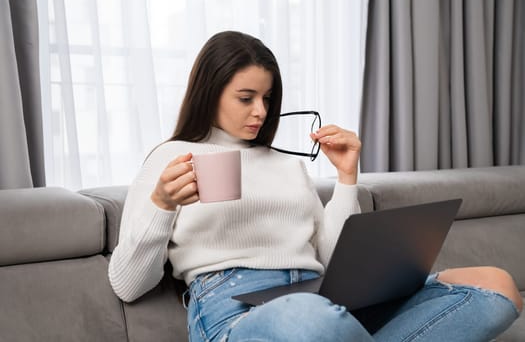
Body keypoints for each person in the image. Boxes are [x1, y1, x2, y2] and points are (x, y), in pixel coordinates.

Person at [109, 30, 522, 341]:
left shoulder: (286, 165)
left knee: (496, 286)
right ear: (210, 92)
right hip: (237, 312)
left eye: (268, 98)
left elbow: (330, 256)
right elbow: (128, 284)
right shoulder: (173, 157)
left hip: (324, 299)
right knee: (309, 316)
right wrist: (161, 203)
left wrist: (346, 178)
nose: (260, 111)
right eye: (246, 97)